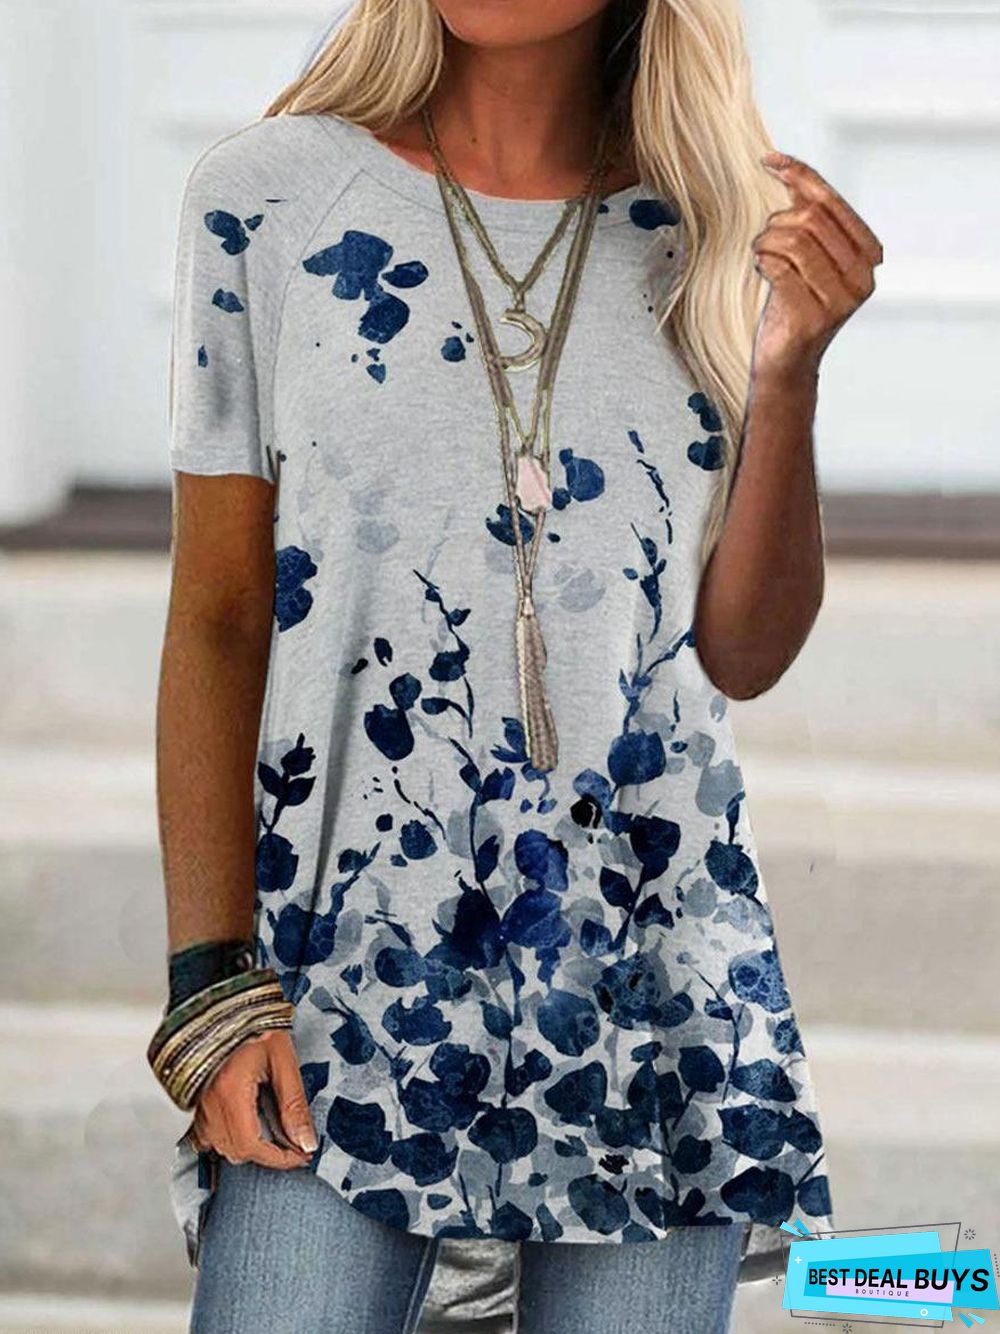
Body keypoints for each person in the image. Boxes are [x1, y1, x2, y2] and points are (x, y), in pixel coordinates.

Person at [149, 1, 882, 1331]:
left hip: (653, 1000)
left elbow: (745, 649)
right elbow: (218, 613)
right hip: (340, 983)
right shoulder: (266, 198)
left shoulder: (723, 228)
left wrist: (790, 378)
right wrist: (212, 982)